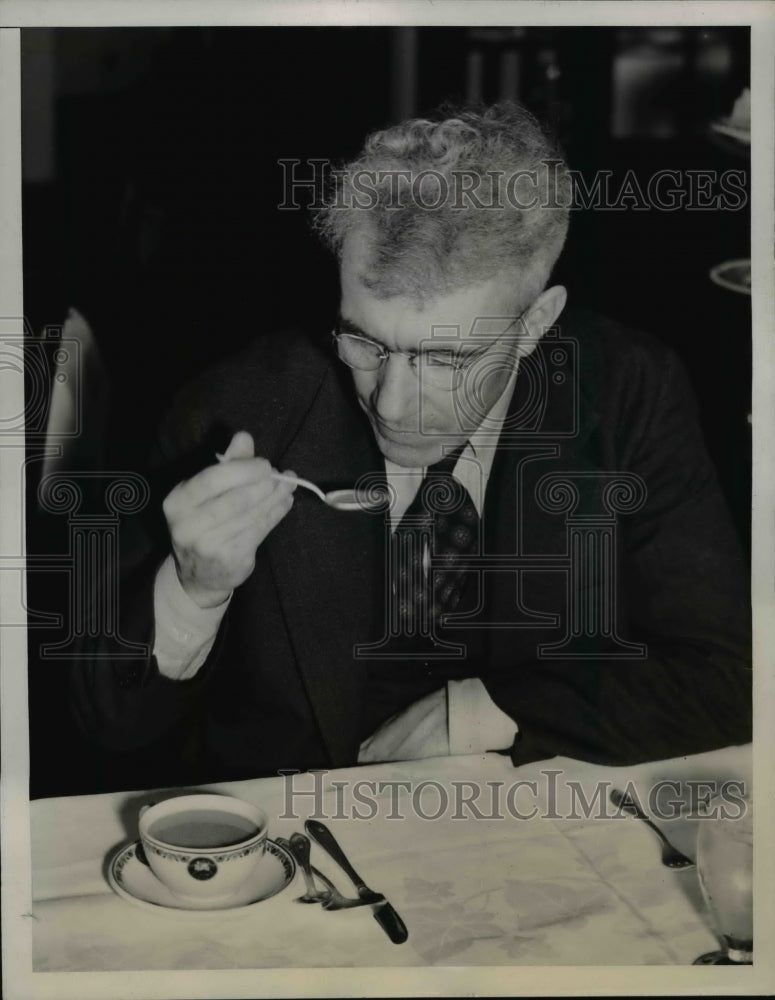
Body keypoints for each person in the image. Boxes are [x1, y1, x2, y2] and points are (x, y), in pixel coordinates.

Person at [70, 103, 751, 786]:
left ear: (537, 321)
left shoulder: (629, 389)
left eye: (448, 360)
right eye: (364, 341)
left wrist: (487, 713)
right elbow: (111, 725)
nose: (390, 403)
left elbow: (730, 675)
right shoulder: (234, 407)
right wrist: (196, 587)